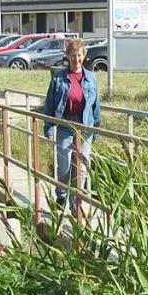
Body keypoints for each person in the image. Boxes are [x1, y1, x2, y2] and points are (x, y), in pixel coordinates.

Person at [41, 38, 101, 215]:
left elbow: (96, 105)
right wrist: (49, 126)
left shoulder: (91, 78)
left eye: (80, 56)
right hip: (65, 124)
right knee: (65, 163)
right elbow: (50, 104)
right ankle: (61, 194)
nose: (77, 59)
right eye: (73, 56)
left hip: (85, 126)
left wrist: (97, 127)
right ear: (68, 56)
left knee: (81, 167)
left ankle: (77, 203)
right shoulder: (59, 78)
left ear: (84, 56)